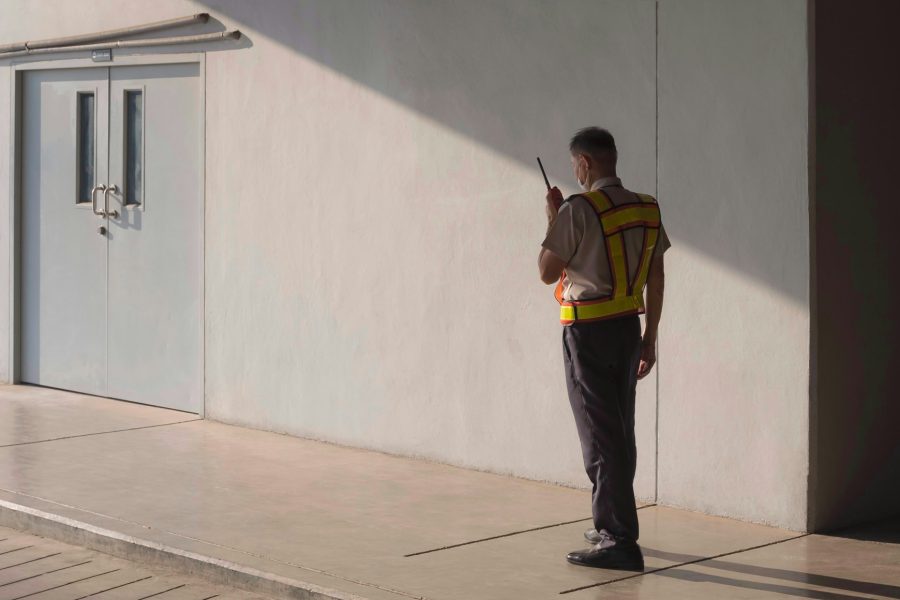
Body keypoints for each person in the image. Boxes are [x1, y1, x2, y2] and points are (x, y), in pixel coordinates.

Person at [538, 127, 670, 571]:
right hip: (628, 330)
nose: (575, 171)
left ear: (585, 164)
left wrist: (554, 218)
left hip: (588, 332)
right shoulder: (646, 207)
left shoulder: (579, 210)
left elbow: (545, 271)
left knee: (599, 433)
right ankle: (613, 522)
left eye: (575, 164)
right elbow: (656, 276)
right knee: (619, 430)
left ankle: (618, 539)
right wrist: (650, 335)